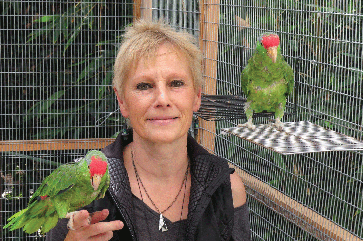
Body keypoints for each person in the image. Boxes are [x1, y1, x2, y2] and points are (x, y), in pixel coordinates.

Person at [46, 20, 251, 241]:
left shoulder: (226, 187)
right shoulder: (83, 186)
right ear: (122, 101)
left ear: (197, 97)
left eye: (176, 83)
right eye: (144, 86)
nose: (163, 99)